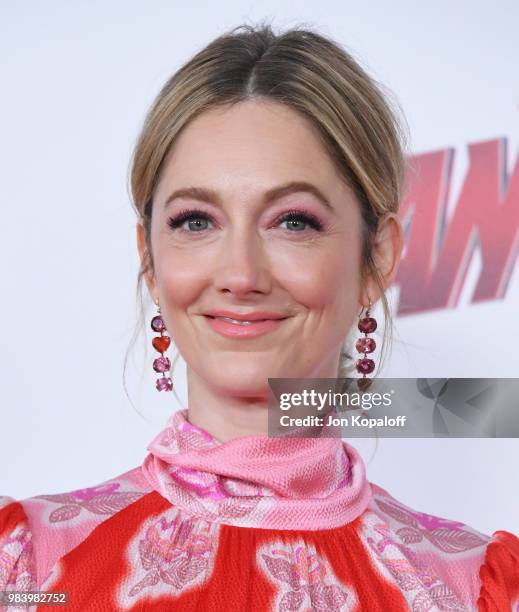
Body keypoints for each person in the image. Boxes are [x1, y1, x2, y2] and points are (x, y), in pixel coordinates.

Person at [1, 22, 517, 612]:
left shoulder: (475, 590)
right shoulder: (27, 567)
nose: (241, 275)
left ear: (377, 259)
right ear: (150, 258)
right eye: (196, 221)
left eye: (293, 221)